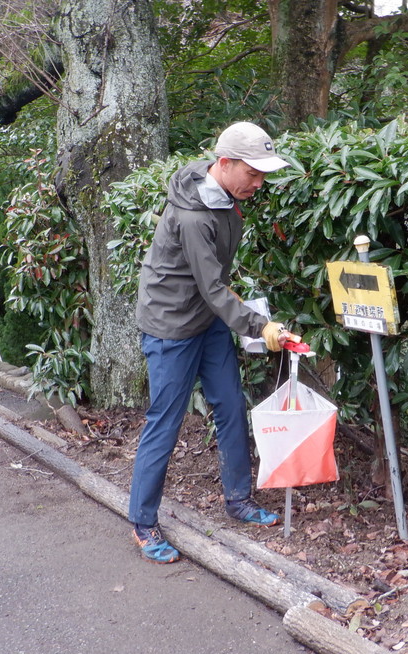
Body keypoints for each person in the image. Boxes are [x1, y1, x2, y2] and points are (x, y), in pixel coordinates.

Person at [128, 121, 300, 563]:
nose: (259, 184)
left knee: (230, 406)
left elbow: (215, 284)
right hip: (170, 326)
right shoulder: (193, 215)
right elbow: (212, 286)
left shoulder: (224, 195)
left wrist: (245, 316)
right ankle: (143, 523)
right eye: (253, 174)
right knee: (165, 422)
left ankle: (238, 500)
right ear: (224, 163)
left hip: (208, 318)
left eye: (263, 175)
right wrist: (261, 326)